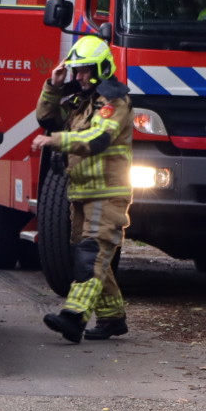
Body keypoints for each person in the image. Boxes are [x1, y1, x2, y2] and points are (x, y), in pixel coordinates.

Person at [31, 35, 134, 343]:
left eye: (86, 70)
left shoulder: (115, 102)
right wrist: (54, 85)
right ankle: (113, 317)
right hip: (82, 193)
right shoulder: (80, 102)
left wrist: (56, 142)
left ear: (103, 68)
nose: (81, 76)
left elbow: (97, 139)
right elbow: (47, 118)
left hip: (107, 193)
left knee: (91, 255)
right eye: (77, 71)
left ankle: (73, 317)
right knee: (92, 256)